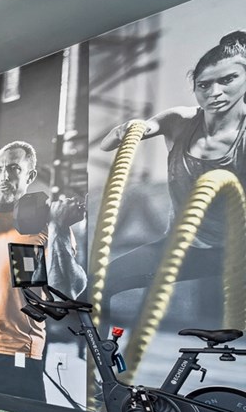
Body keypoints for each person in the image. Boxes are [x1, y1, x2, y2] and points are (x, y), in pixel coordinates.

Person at [98, 30, 246, 325]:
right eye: (204, 85)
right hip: (188, 248)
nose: (215, 92)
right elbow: (107, 144)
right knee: (98, 285)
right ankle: (101, 352)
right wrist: (131, 128)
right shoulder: (180, 121)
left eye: (228, 80)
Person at [0, 141, 86, 401]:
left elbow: (67, 291)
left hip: (18, 349)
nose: (4, 176)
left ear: (30, 176)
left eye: (13, 168)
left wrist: (59, 228)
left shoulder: (46, 228)